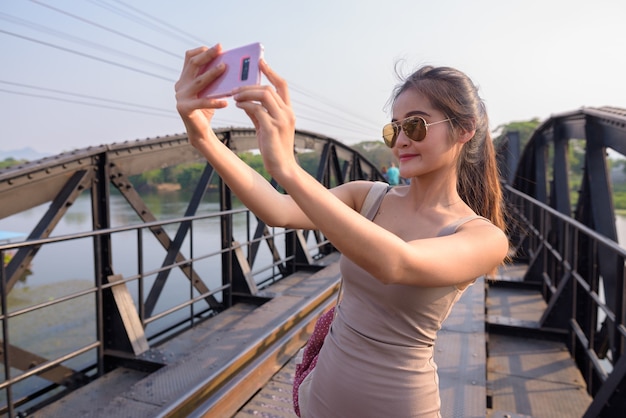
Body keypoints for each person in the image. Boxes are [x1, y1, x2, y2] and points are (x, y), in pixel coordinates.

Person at [175, 44, 509, 418]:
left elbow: (396, 263)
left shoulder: (482, 237)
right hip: (322, 398)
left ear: (464, 130)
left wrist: (288, 167)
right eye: (393, 128)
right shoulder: (368, 197)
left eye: (415, 125)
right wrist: (202, 137)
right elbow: (278, 210)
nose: (401, 140)